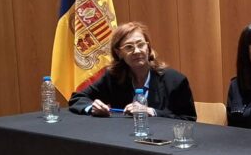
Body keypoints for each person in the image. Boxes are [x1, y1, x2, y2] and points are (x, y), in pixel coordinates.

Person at [68, 21, 196, 120]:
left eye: (141, 45)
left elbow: (188, 119)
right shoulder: (113, 77)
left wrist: (153, 112)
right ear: (119, 53)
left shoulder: (175, 80)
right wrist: (92, 108)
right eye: (129, 47)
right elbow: (77, 98)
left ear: (148, 47)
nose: (137, 51)